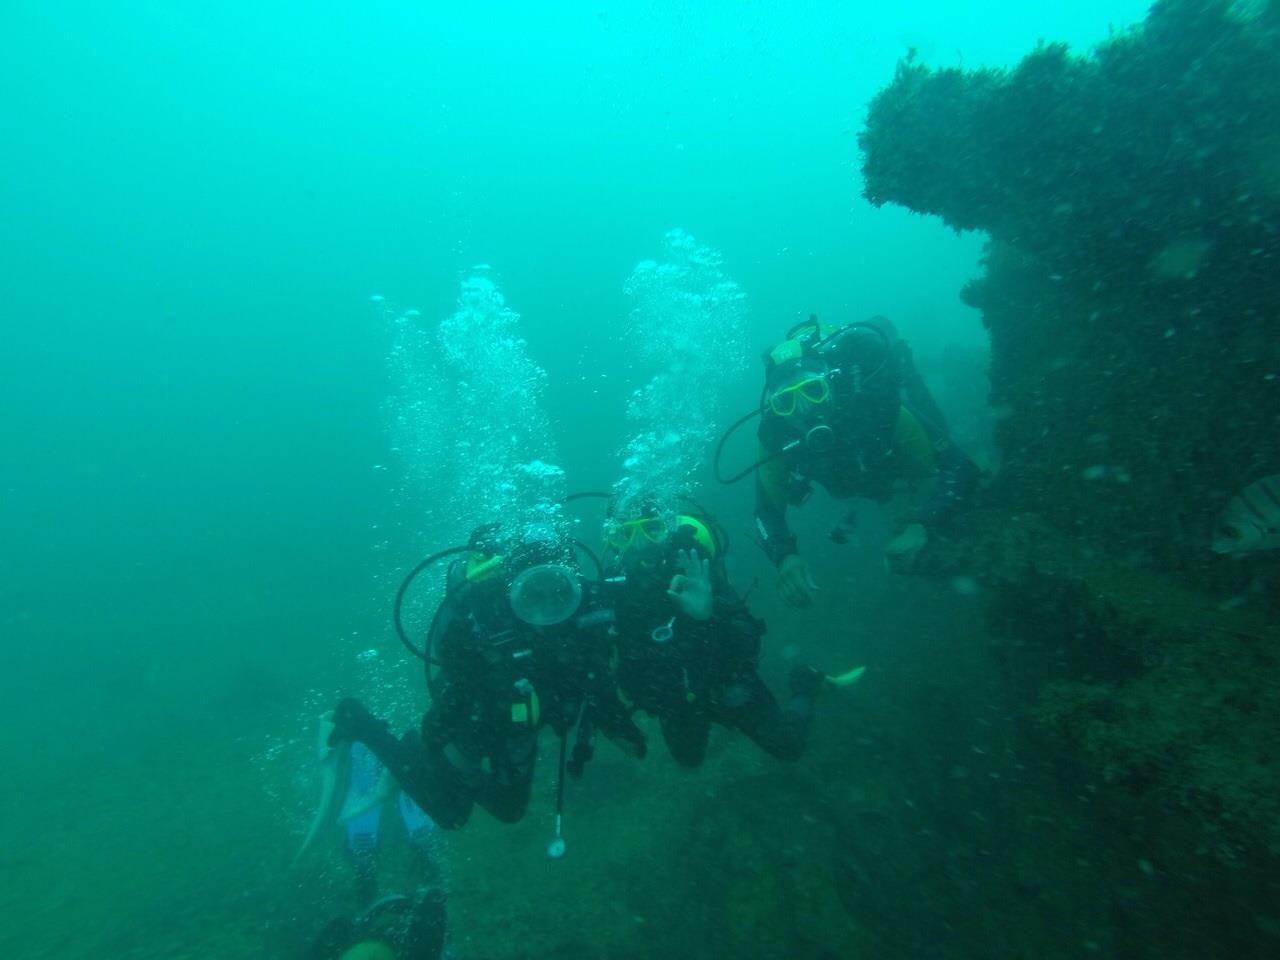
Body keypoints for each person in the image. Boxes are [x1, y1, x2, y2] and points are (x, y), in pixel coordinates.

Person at [327, 525, 646, 831]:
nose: (548, 604)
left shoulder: (588, 615)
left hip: (522, 725)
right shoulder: (489, 617)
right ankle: (358, 721)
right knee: (451, 813)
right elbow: (448, 689)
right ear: (514, 589)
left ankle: (416, 763)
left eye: (559, 590)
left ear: (574, 581)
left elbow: (597, 677)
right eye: (534, 593)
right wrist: (486, 686)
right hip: (481, 717)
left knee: (509, 810)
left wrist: (616, 722)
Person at [601, 507, 858, 766]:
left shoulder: (695, 564)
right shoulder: (612, 588)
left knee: (787, 747)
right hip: (673, 694)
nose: (640, 543)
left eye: (652, 528)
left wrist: (706, 616)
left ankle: (806, 683)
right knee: (688, 760)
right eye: (625, 533)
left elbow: (747, 641)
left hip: (725, 679)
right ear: (613, 540)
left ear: (666, 529)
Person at [754, 317, 978, 607]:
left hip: (887, 463)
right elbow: (765, 510)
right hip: (853, 477)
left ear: (831, 383)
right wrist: (784, 555)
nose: (805, 409)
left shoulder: (877, 405)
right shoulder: (775, 436)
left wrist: (922, 523)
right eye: (786, 402)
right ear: (774, 409)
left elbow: (960, 467)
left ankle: (903, 359)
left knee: (936, 427)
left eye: (814, 390)